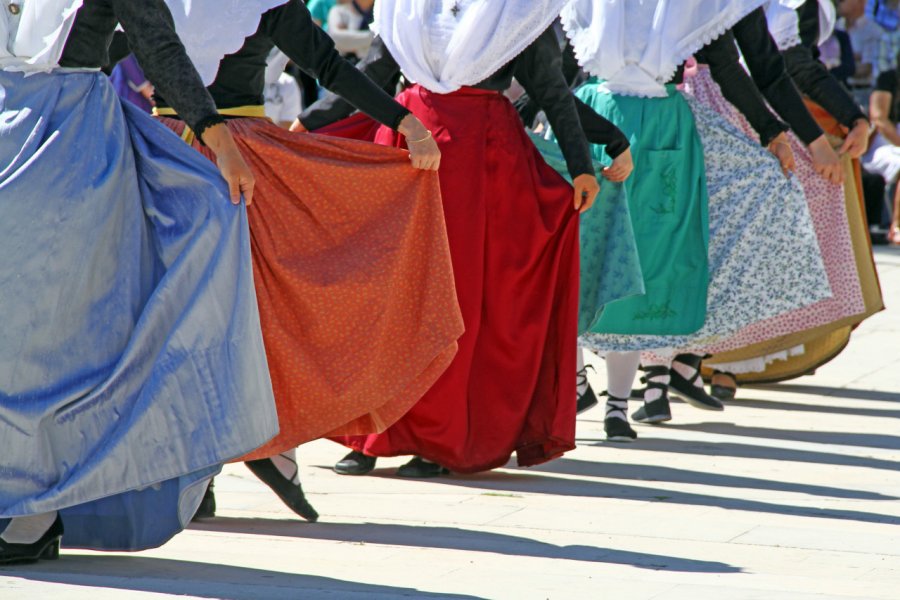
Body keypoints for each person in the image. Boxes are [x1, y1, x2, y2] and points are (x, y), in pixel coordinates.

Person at [156, 0, 462, 511]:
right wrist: (404, 121)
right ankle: (243, 456)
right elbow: (328, 64)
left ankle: (207, 468)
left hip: (168, 153)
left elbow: (95, 52)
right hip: (232, 161)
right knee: (236, 314)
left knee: (180, 317)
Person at [1, 0, 277, 563]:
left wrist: (217, 140)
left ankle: (35, 511)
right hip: (10, 126)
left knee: (42, 335)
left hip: (69, 144)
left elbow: (155, 37)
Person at [301, 0, 601, 477]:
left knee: (455, 296)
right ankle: (371, 432)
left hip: (482, 160)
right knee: (388, 292)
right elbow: (376, 68)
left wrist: (581, 164)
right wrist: (314, 120)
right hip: (407, 142)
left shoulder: (516, 7)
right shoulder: (407, 5)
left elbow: (550, 86)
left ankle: (436, 439)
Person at [565, 1, 832, 436]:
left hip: (620, 119)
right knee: (615, 261)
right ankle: (601, 398)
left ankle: (603, 396)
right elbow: (727, 67)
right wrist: (771, 132)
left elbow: (727, 65)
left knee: (616, 260)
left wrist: (772, 131)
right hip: (638, 122)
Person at [703, 0, 884, 393]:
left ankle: (718, 360)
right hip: (730, 114)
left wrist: (853, 116)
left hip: (743, 114)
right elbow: (779, 69)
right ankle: (685, 360)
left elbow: (792, 67)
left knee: (742, 246)